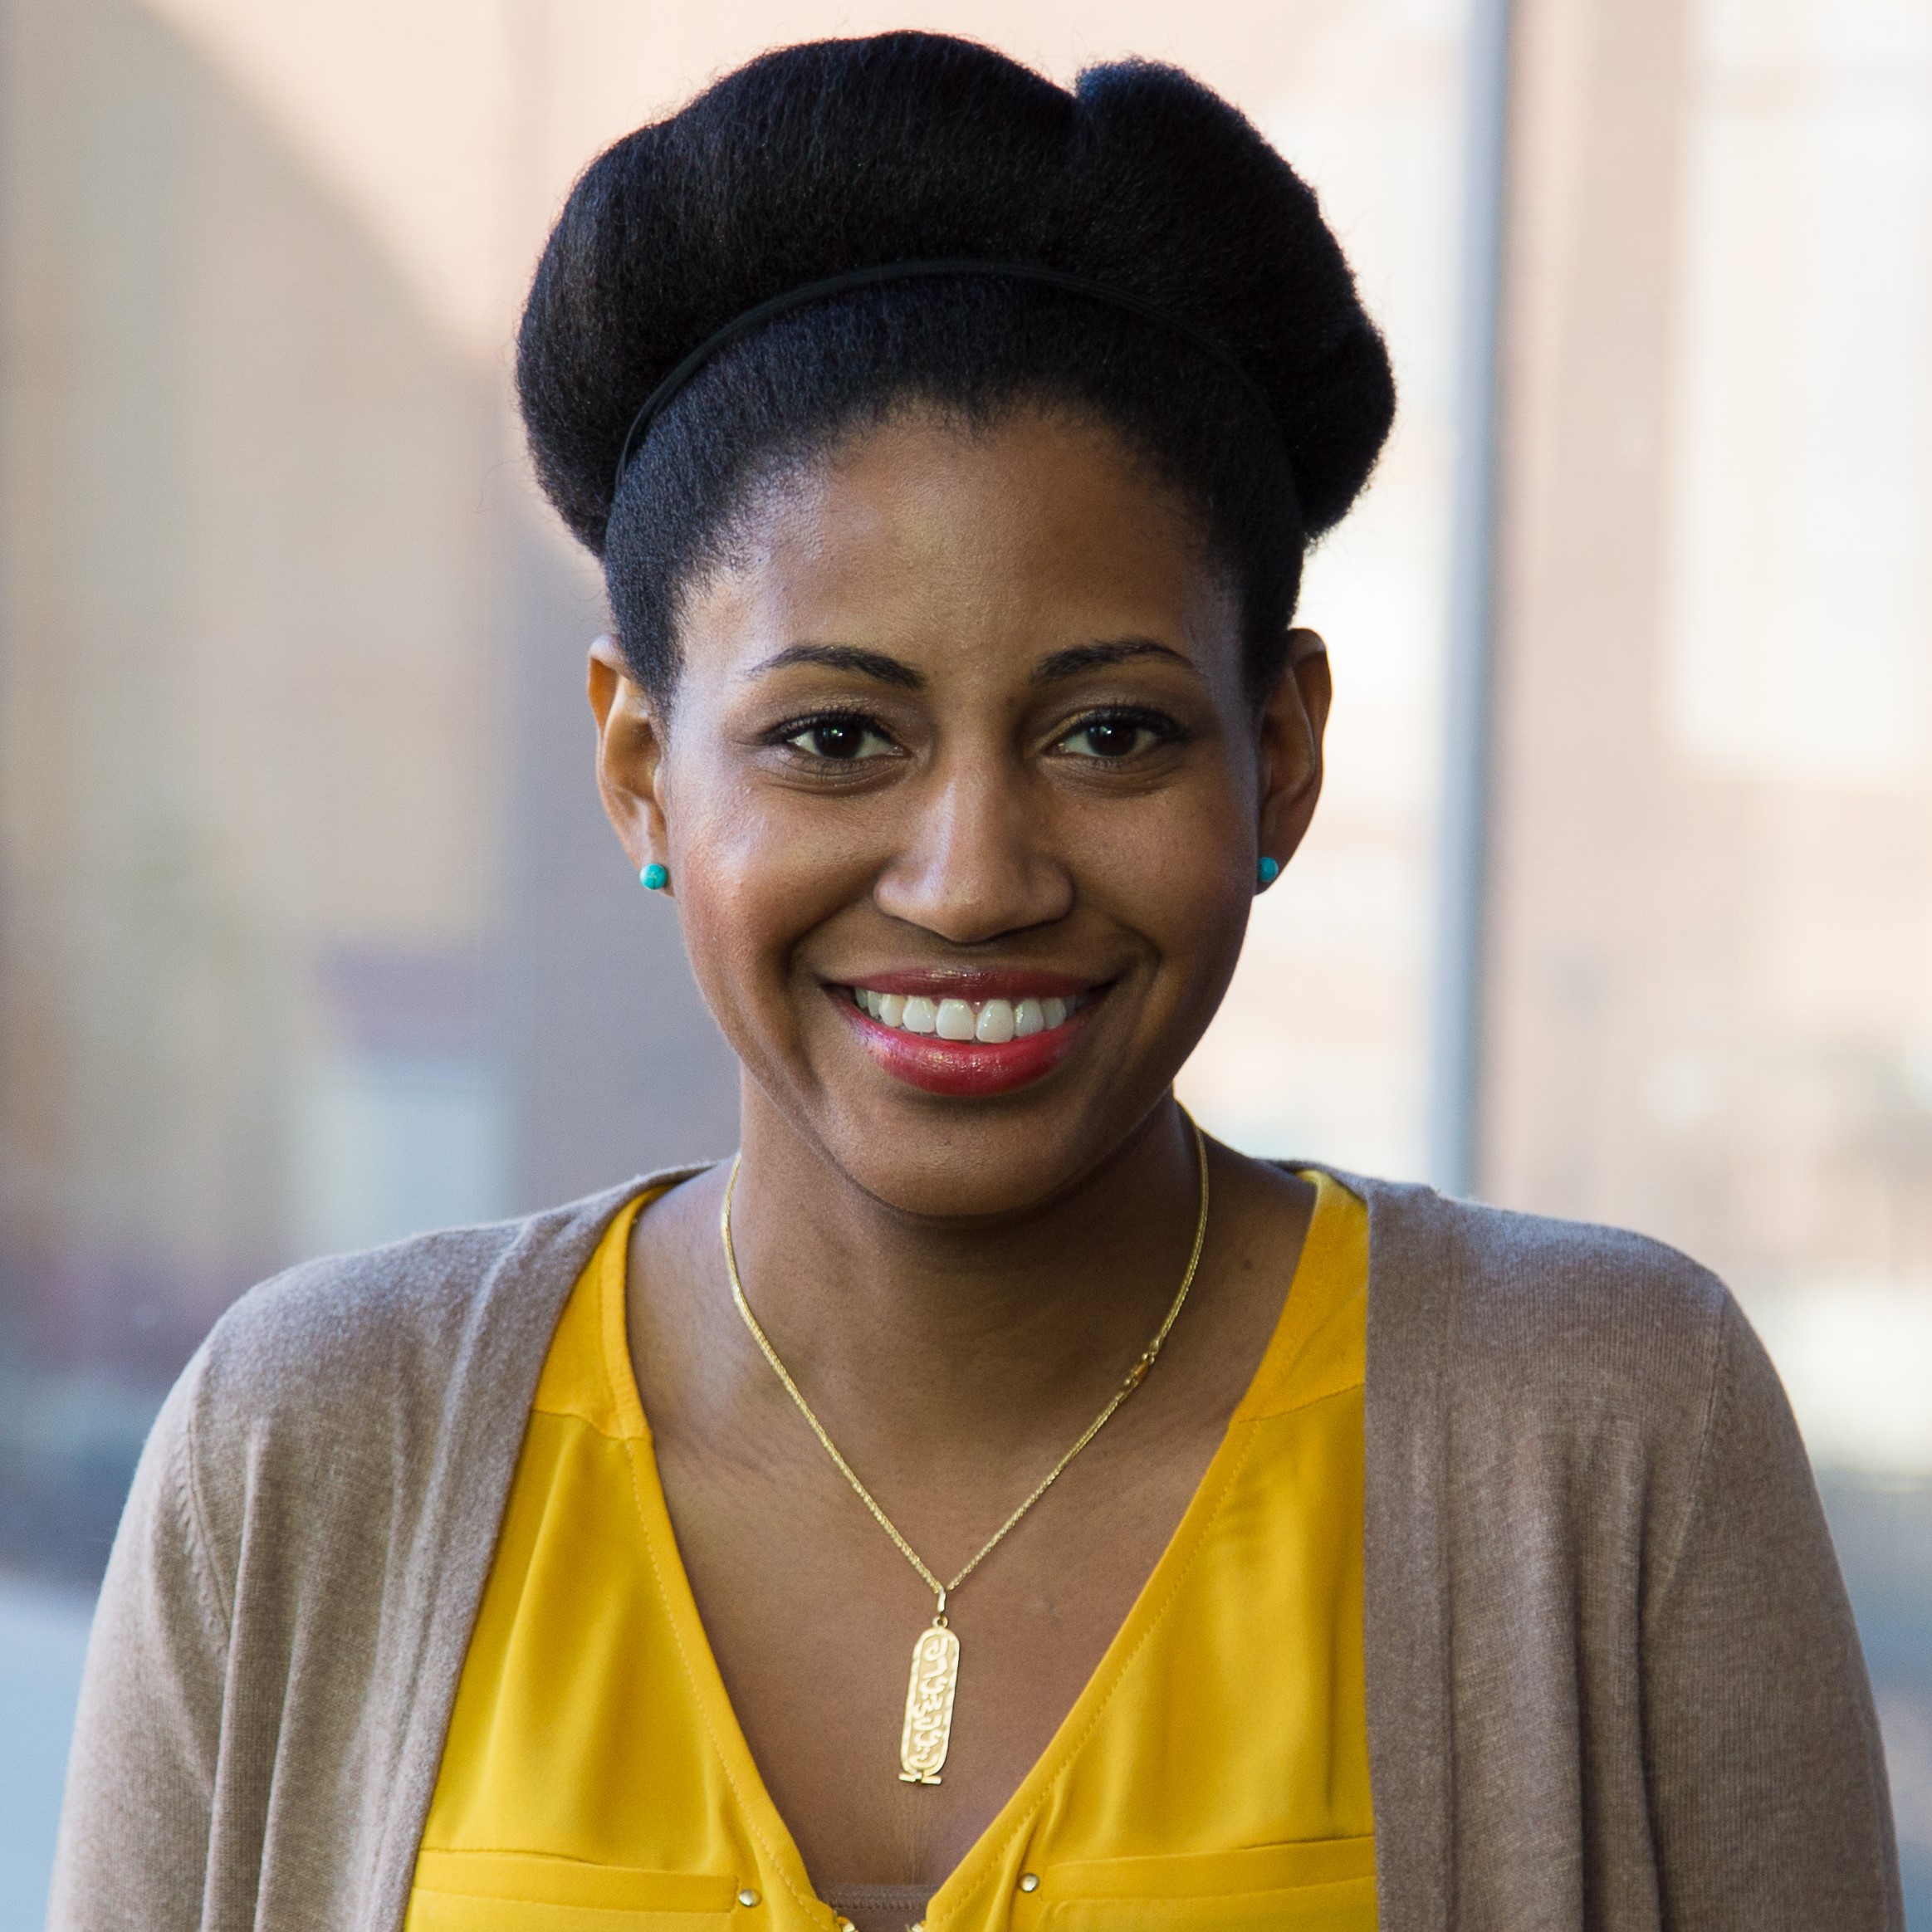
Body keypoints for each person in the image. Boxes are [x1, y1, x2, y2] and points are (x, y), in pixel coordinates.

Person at [50, 32, 1903, 1932]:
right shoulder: (317, 1445)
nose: (975, 881)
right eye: (837, 739)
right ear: (638, 769)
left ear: (1281, 755)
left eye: (1109, 734)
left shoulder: (1597, 1431)